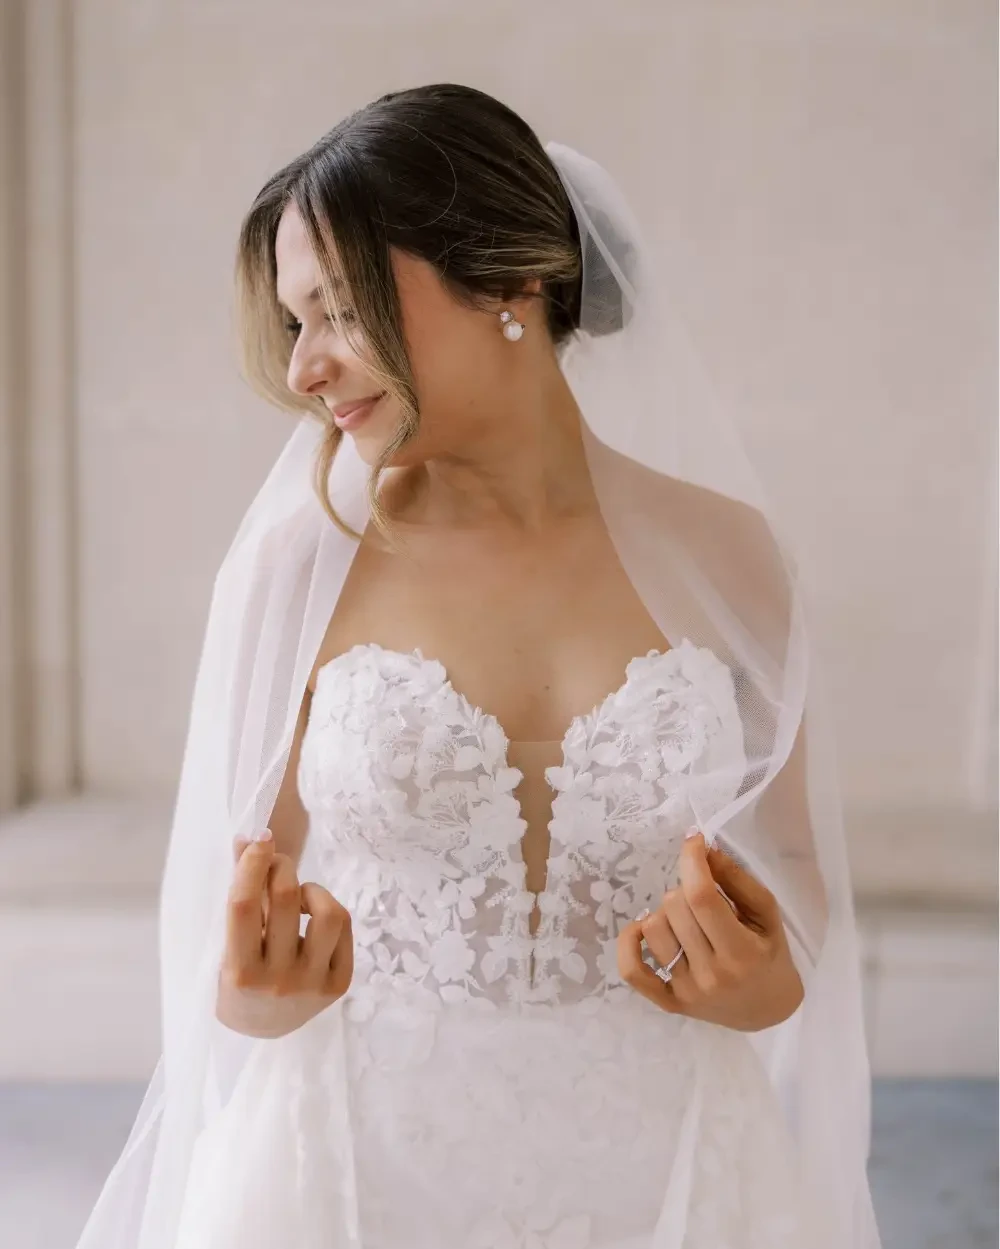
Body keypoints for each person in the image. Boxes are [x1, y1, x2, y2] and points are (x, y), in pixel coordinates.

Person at [77, 84, 881, 1249]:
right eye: (296, 322)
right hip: (363, 1171)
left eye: (340, 309)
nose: (304, 368)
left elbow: (798, 865)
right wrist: (253, 992)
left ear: (513, 282)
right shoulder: (300, 571)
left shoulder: (728, 555)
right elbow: (230, 906)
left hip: (674, 1171)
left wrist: (764, 976)